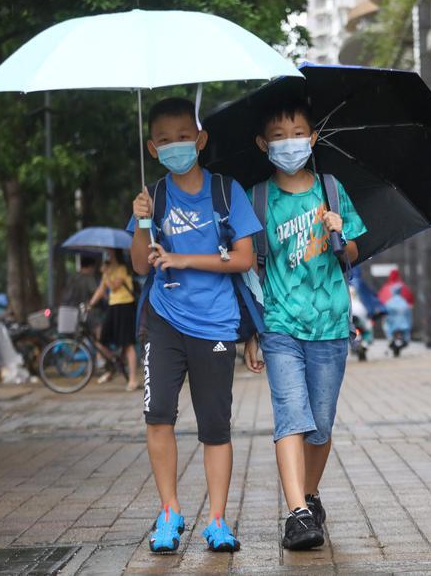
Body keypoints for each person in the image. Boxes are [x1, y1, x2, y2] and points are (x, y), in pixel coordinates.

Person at [129, 97, 261, 554]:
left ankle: (218, 520)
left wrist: (185, 258)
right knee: (158, 415)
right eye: (165, 141)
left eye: (184, 137)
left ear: (200, 140)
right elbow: (140, 266)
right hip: (163, 324)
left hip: (216, 324)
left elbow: (244, 256)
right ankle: (169, 512)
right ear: (152, 147)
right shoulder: (155, 195)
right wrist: (143, 222)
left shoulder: (227, 191)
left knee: (215, 427)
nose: (176, 146)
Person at [242, 96, 366, 550]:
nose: (289, 143)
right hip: (279, 325)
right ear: (263, 144)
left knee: (321, 426)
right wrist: (252, 333)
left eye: (297, 134)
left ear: (313, 139)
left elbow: (352, 253)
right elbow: (251, 268)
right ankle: (296, 513)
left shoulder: (332, 189)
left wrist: (341, 233)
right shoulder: (257, 199)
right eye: (278, 137)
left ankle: (310, 494)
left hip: (331, 323)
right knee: (290, 416)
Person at [87, 249, 139, 391]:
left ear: (115, 253)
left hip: (125, 306)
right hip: (113, 307)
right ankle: (114, 366)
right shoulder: (108, 270)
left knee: (127, 343)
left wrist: (107, 273)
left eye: (109, 252)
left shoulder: (122, 268)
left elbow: (114, 287)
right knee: (101, 341)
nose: (107, 255)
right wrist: (90, 305)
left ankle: (133, 379)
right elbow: (101, 289)